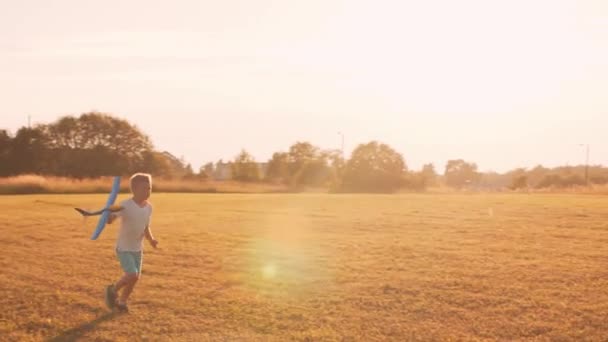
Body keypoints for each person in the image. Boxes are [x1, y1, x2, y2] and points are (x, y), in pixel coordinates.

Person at [104, 173, 158, 312]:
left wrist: (151, 239)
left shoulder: (148, 207)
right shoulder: (125, 205)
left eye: (149, 188)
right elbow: (110, 221)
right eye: (144, 188)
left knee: (135, 278)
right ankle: (113, 290)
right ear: (134, 189)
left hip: (137, 248)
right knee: (132, 275)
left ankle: (122, 302)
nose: (148, 191)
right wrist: (109, 214)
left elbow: (146, 226)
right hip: (124, 247)